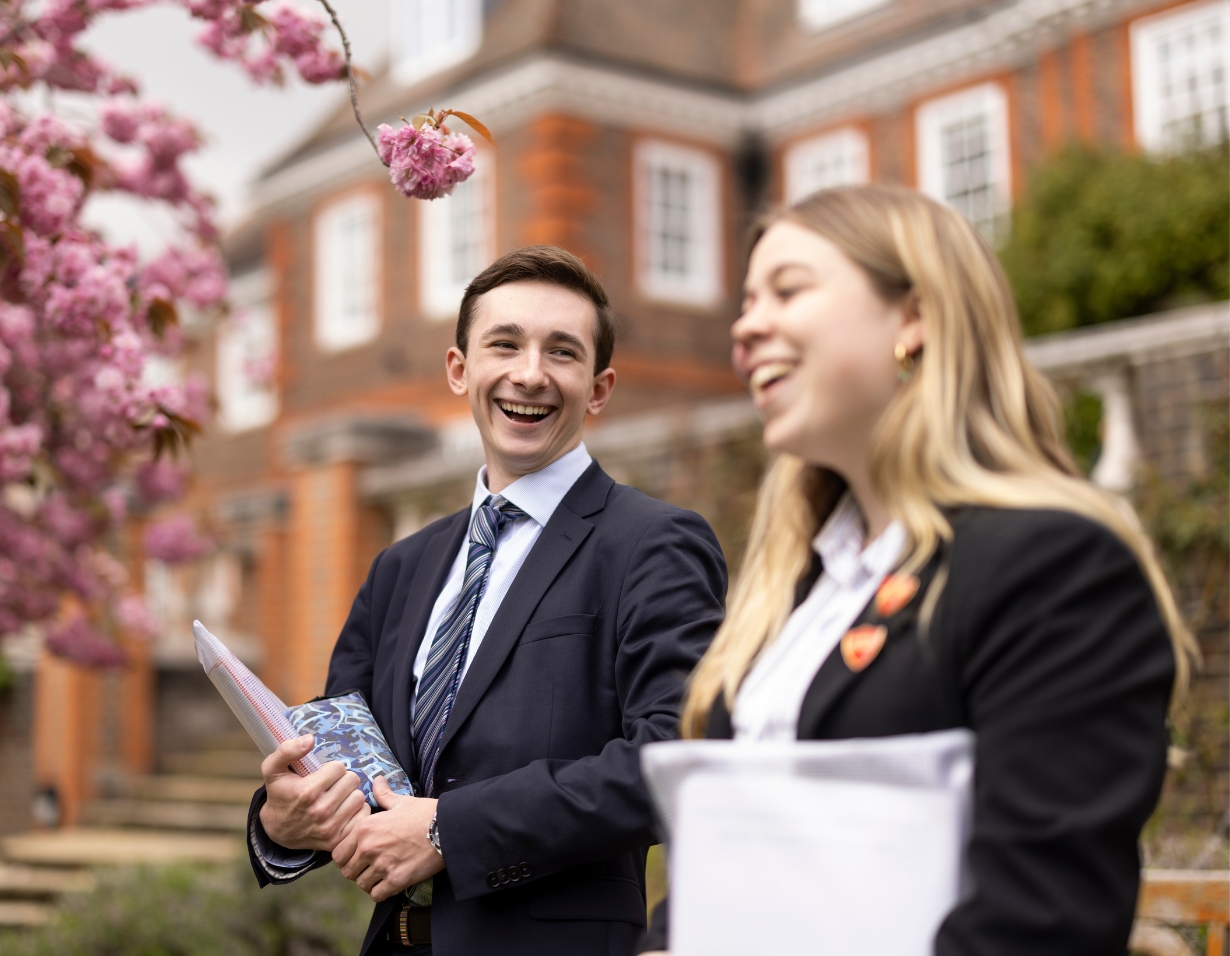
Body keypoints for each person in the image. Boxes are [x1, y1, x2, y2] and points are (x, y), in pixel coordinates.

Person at [640, 185, 1193, 956]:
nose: (745, 327)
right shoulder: (795, 594)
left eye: (788, 290)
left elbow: (1038, 924)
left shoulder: (1053, 564)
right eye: (745, 301)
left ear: (916, 315)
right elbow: (716, 878)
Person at [246, 246, 728, 956]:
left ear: (599, 388)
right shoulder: (399, 570)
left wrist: (449, 830)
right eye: (504, 344)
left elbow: (677, 755)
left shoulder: (654, 545)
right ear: (459, 369)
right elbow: (347, 761)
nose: (529, 373)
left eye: (562, 352)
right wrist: (283, 823)